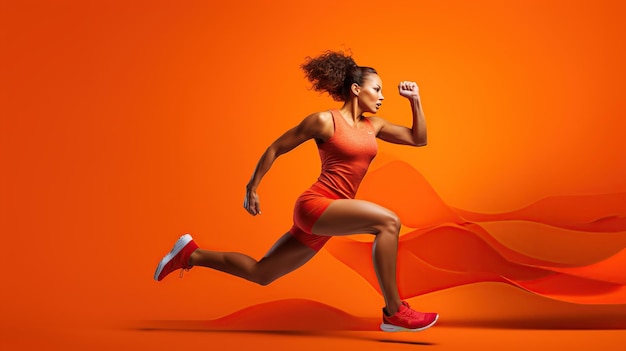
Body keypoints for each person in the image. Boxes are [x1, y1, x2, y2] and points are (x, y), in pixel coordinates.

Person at [154, 51, 438, 332]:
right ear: (355, 89)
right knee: (388, 222)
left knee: (261, 273)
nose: (382, 96)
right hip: (317, 205)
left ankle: (191, 255)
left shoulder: (373, 126)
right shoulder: (325, 121)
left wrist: (415, 100)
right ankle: (394, 310)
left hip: (331, 218)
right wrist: (252, 186)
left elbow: (418, 138)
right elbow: (277, 147)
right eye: (376, 89)